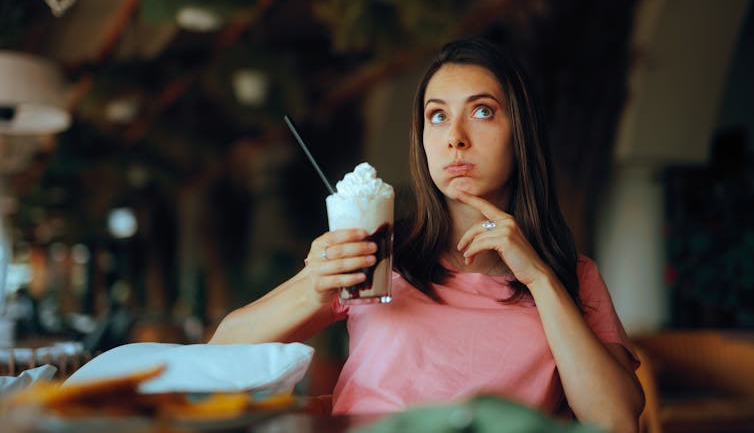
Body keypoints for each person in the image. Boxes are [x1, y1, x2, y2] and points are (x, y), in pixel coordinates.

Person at [210, 37, 644, 432]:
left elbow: (617, 421)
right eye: (437, 116)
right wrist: (314, 286)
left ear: (521, 133)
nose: (455, 137)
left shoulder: (570, 276)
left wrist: (539, 279)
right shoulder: (379, 254)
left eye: (482, 111)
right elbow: (220, 351)